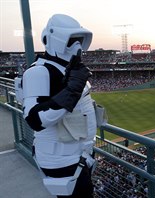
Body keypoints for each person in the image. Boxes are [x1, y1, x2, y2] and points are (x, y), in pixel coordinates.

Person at [22, 14, 97, 197]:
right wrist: (72, 90)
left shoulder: (69, 70)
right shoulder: (39, 72)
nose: (77, 46)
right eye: (72, 40)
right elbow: (34, 119)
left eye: (80, 40)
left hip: (78, 156)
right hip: (61, 161)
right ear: (54, 39)